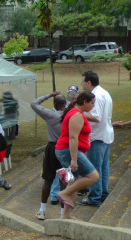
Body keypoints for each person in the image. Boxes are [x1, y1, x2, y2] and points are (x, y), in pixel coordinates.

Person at [55, 91, 99, 219]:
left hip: (67, 151)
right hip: (68, 151)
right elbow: (73, 138)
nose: (92, 106)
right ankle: (64, 193)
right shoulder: (76, 115)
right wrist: (74, 160)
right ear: (84, 102)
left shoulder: (78, 113)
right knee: (93, 176)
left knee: (74, 181)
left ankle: (66, 215)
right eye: (92, 103)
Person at [78, 71, 114, 207]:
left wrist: (78, 111)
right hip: (105, 135)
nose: (82, 85)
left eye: (83, 82)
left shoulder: (96, 96)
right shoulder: (104, 93)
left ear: (89, 83)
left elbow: (97, 117)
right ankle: (102, 194)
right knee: (103, 167)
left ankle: (94, 197)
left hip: (97, 136)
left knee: (94, 169)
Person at [31, 91, 67, 220]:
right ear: (65, 103)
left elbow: (34, 103)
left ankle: (42, 210)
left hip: (52, 148)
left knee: (48, 180)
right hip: (65, 149)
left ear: (55, 104)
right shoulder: (70, 115)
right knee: (64, 181)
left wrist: (49, 95)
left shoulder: (50, 115)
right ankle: (63, 213)